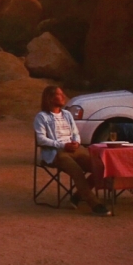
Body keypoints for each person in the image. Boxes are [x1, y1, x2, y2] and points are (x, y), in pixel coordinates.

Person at [33, 86, 113, 216]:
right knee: (76, 171)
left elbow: (75, 132)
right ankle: (94, 204)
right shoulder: (42, 117)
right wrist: (63, 145)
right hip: (55, 152)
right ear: (50, 98)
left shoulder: (67, 114)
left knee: (100, 167)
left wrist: (76, 142)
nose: (63, 96)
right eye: (59, 94)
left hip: (73, 149)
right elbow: (41, 139)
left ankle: (76, 196)